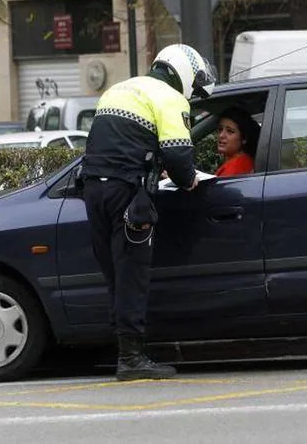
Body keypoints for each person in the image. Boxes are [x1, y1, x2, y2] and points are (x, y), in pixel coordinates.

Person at [81, 44, 216, 381]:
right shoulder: (169, 98)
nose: (193, 94)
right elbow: (179, 157)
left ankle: (125, 350)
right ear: (186, 74)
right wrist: (188, 181)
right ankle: (131, 360)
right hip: (128, 195)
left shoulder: (120, 90)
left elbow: (116, 143)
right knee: (132, 274)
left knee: (114, 274)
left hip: (94, 192)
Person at [215, 106, 259, 177]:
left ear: (244, 139)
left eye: (230, 131)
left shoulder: (235, 167)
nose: (221, 135)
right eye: (220, 129)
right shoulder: (246, 160)